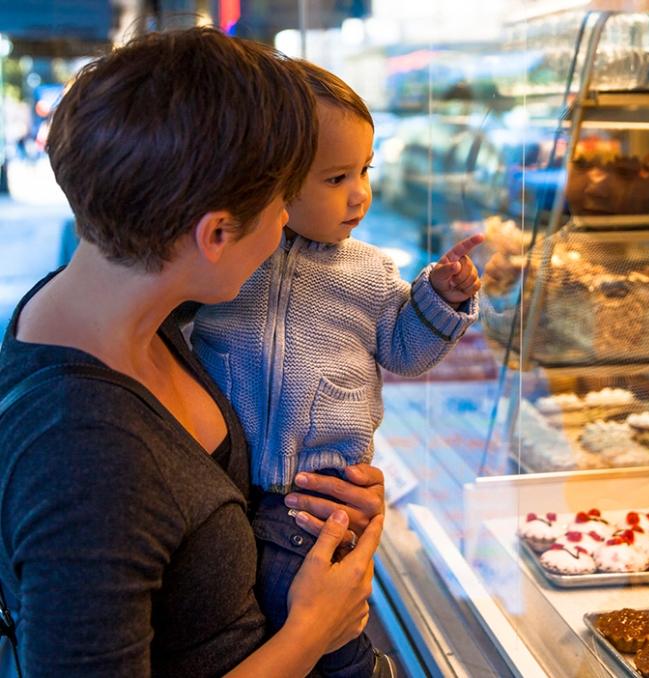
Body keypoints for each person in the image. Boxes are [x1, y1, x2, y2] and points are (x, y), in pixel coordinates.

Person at [0, 28, 387, 678]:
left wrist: (318, 487)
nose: (284, 232)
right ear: (215, 233)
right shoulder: (87, 461)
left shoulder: (114, 301)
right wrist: (313, 630)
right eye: (279, 212)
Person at [190, 60, 484, 676]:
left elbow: (406, 352)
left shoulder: (371, 271)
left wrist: (442, 298)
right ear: (271, 182)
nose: (359, 194)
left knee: (319, 626)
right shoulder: (230, 264)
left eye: (364, 171)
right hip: (228, 485)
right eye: (335, 177)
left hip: (319, 497)